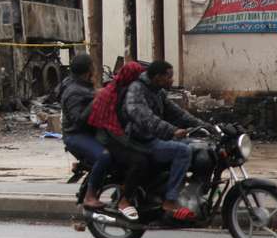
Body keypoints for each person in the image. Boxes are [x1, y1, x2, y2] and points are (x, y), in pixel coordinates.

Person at [122, 60, 208, 220]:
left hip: (156, 138)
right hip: (142, 141)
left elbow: (178, 113)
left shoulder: (157, 91)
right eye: (168, 77)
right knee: (183, 151)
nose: (172, 80)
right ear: (157, 77)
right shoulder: (136, 89)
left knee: (202, 147)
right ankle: (170, 200)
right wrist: (172, 130)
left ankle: (193, 192)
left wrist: (205, 126)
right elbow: (145, 117)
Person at [87, 61, 149, 221]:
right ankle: (123, 200)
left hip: (119, 135)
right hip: (108, 139)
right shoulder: (111, 93)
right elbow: (109, 125)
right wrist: (129, 144)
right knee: (140, 161)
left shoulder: (127, 90)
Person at [60, 53, 110, 209]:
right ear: (89, 69)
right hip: (76, 135)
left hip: (89, 133)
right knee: (104, 156)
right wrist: (96, 100)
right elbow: (78, 120)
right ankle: (90, 196)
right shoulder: (73, 91)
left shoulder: (83, 86)